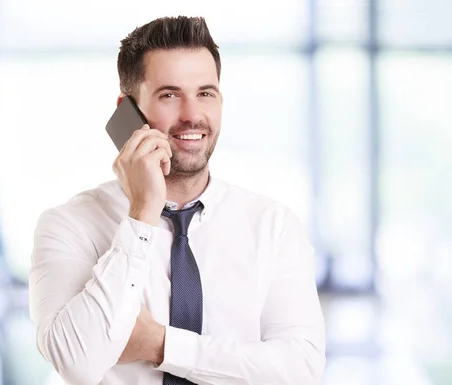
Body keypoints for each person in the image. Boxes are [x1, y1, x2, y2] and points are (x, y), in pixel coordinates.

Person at [29, 16, 326, 385]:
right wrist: (142, 214)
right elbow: (77, 363)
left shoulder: (273, 225)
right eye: (169, 95)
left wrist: (161, 345)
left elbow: (300, 370)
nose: (192, 116)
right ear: (128, 110)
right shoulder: (69, 225)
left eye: (205, 93)